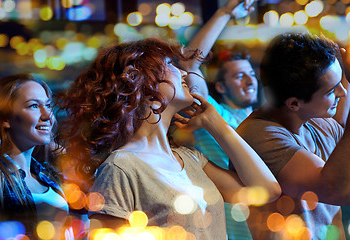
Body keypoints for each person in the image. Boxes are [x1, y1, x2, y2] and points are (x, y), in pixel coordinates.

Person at [55, 37, 281, 239]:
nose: (183, 72)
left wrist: (218, 126)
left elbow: (267, 190)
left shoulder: (190, 160)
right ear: (143, 83)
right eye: (170, 65)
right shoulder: (121, 168)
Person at [235, 32, 350, 239]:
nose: (343, 93)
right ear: (294, 103)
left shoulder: (318, 121)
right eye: (332, 90)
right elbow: (338, 189)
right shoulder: (258, 136)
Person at [179, 1, 258, 239]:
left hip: (267, 220)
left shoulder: (264, 120)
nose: (249, 81)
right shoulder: (213, 113)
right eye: (239, 76)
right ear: (221, 86)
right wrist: (225, 12)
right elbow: (190, 61)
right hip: (232, 225)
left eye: (251, 74)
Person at [0, 74, 70, 239]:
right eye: (34, 106)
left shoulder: (48, 175)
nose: (47, 115)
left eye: (48, 105)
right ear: (6, 118)